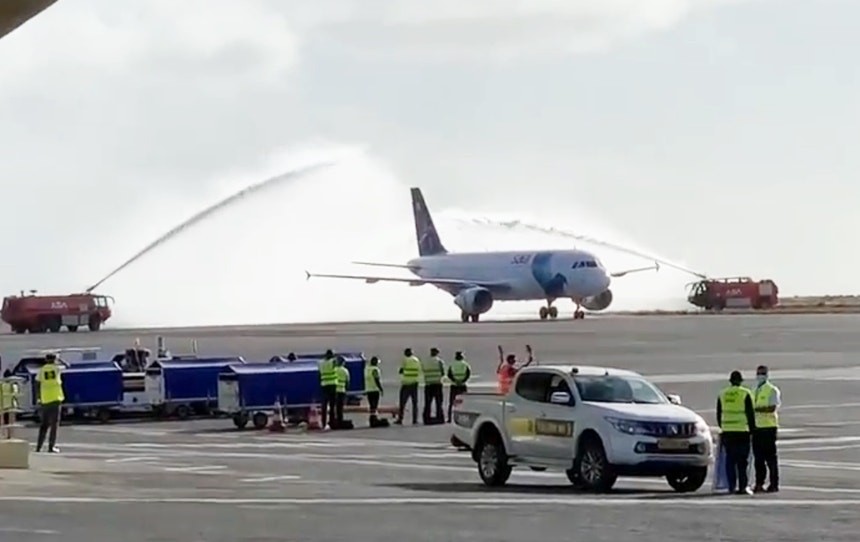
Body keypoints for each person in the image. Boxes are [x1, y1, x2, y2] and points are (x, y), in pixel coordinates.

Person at [716, 370, 756, 495]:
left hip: (728, 431)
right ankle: (742, 487)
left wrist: (723, 426)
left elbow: (719, 413)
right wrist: (753, 430)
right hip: (742, 431)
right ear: (740, 381)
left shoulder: (723, 394)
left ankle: (731, 486)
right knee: (742, 461)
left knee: (730, 461)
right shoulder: (745, 393)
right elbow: (750, 414)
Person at [752, 364, 781, 493]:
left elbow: (772, 408)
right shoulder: (754, 390)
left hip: (769, 427)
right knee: (758, 459)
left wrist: (756, 410)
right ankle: (759, 483)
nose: (760, 376)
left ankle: (774, 484)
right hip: (756, 428)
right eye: (759, 373)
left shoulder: (772, 390)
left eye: (762, 373)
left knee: (770, 458)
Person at [35, 352, 64, 453]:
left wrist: (38, 397)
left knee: (44, 425)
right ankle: (51, 447)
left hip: (45, 399)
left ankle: (38, 447)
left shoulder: (42, 370)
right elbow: (68, 366)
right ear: (54, 360)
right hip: (56, 398)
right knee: (54, 425)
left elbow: (37, 383)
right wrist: (60, 359)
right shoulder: (57, 368)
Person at [395, 348, 421, 425]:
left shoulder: (405, 360)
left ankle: (400, 419)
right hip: (414, 383)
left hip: (406, 383)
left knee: (402, 402)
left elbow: (401, 371)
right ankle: (415, 419)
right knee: (415, 402)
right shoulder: (416, 360)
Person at [447, 351, 472, 423]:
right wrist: (462, 381)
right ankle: (465, 419)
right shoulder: (465, 364)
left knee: (452, 402)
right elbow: (468, 374)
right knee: (464, 402)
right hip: (462, 385)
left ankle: (449, 418)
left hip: (454, 385)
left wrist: (455, 381)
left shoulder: (452, 364)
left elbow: (449, 374)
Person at [422, 347, 445, 424]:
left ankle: (426, 418)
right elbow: (443, 373)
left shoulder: (425, 361)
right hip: (437, 384)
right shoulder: (439, 361)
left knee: (427, 403)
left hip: (428, 384)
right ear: (437, 353)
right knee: (438, 402)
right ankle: (439, 418)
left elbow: (423, 370)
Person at [318, 350, 338, 430]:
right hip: (332, 385)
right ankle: (332, 422)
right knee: (332, 405)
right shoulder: (332, 362)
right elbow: (337, 362)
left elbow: (319, 374)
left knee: (324, 405)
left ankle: (323, 423)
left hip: (324, 385)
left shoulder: (321, 363)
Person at [365, 356, 384, 426]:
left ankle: (371, 419)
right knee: (374, 406)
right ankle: (373, 419)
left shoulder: (367, 369)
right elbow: (376, 380)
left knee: (371, 406)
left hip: (369, 389)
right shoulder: (375, 370)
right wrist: (381, 388)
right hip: (374, 390)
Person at [334, 356, 350, 428]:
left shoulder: (334, 370)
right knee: (340, 408)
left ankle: (335, 420)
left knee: (334, 407)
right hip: (342, 390)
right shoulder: (345, 371)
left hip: (334, 391)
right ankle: (340, 420)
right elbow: (347, 382)